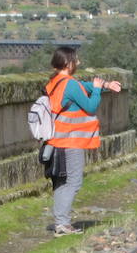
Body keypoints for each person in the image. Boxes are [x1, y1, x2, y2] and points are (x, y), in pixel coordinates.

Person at [46, 46, 121, 235]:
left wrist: (104, 84)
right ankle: (62, 224)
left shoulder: (56, 81)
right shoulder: (69, 84)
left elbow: (82, 87)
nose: (78, 63)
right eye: (76, 60)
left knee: (62, 182)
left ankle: (61, 222)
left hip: (57, 141)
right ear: (68, 63)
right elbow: (90, 106)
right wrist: (97, 91)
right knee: (74, 182)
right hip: (71, 141)